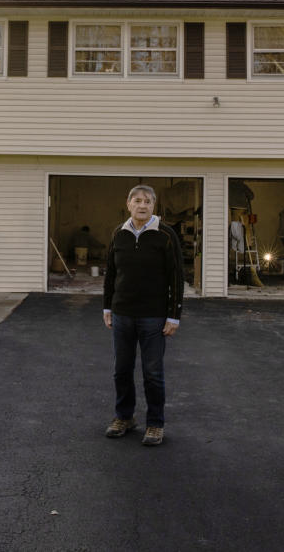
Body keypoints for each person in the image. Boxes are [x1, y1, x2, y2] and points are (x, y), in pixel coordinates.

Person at [103, 184, 184, 447]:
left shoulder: (166, 235)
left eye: (147, 201)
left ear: (153, 206)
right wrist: (107, 308)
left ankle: (155, 424)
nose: (142, 205)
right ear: (128, 204)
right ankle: (124, 418)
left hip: (153, 317)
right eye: (137, 200)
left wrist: (174, 316)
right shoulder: (119, 233)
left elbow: (177, 278)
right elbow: (111, 275)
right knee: (121, 370)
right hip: (122, 314)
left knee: (153, 373)